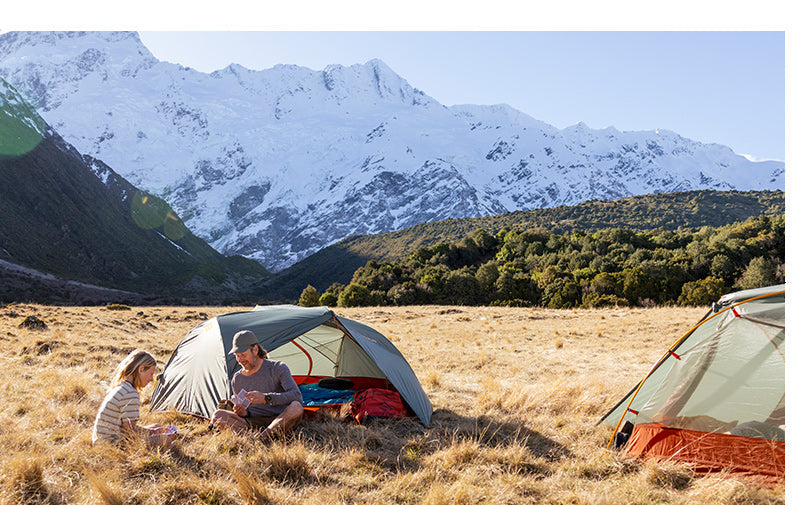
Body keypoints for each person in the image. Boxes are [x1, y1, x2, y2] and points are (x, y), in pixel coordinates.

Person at [210, 330, 304, 440]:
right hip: (252, 422)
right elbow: (246, 412)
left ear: (255, 350)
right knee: (218, 416)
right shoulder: (237, 379)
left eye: (243, 355)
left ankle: (261, 438)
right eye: (237, 356)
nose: (240, 360)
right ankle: (261, 438)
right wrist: (244, 413)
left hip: (280, 419)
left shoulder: (278, 368)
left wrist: (266, 398)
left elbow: (297, 396)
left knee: (296, 407)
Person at [92, 349, 176, 447]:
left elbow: (126, 427)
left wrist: (152, 431)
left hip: (101, 441)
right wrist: (163, 441)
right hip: (112, 445)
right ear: (141, 369)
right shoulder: (130, 393)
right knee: (165, 440)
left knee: (156, 427)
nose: (151, 379)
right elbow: (130, 433)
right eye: (150, 374)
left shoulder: (122, 387)